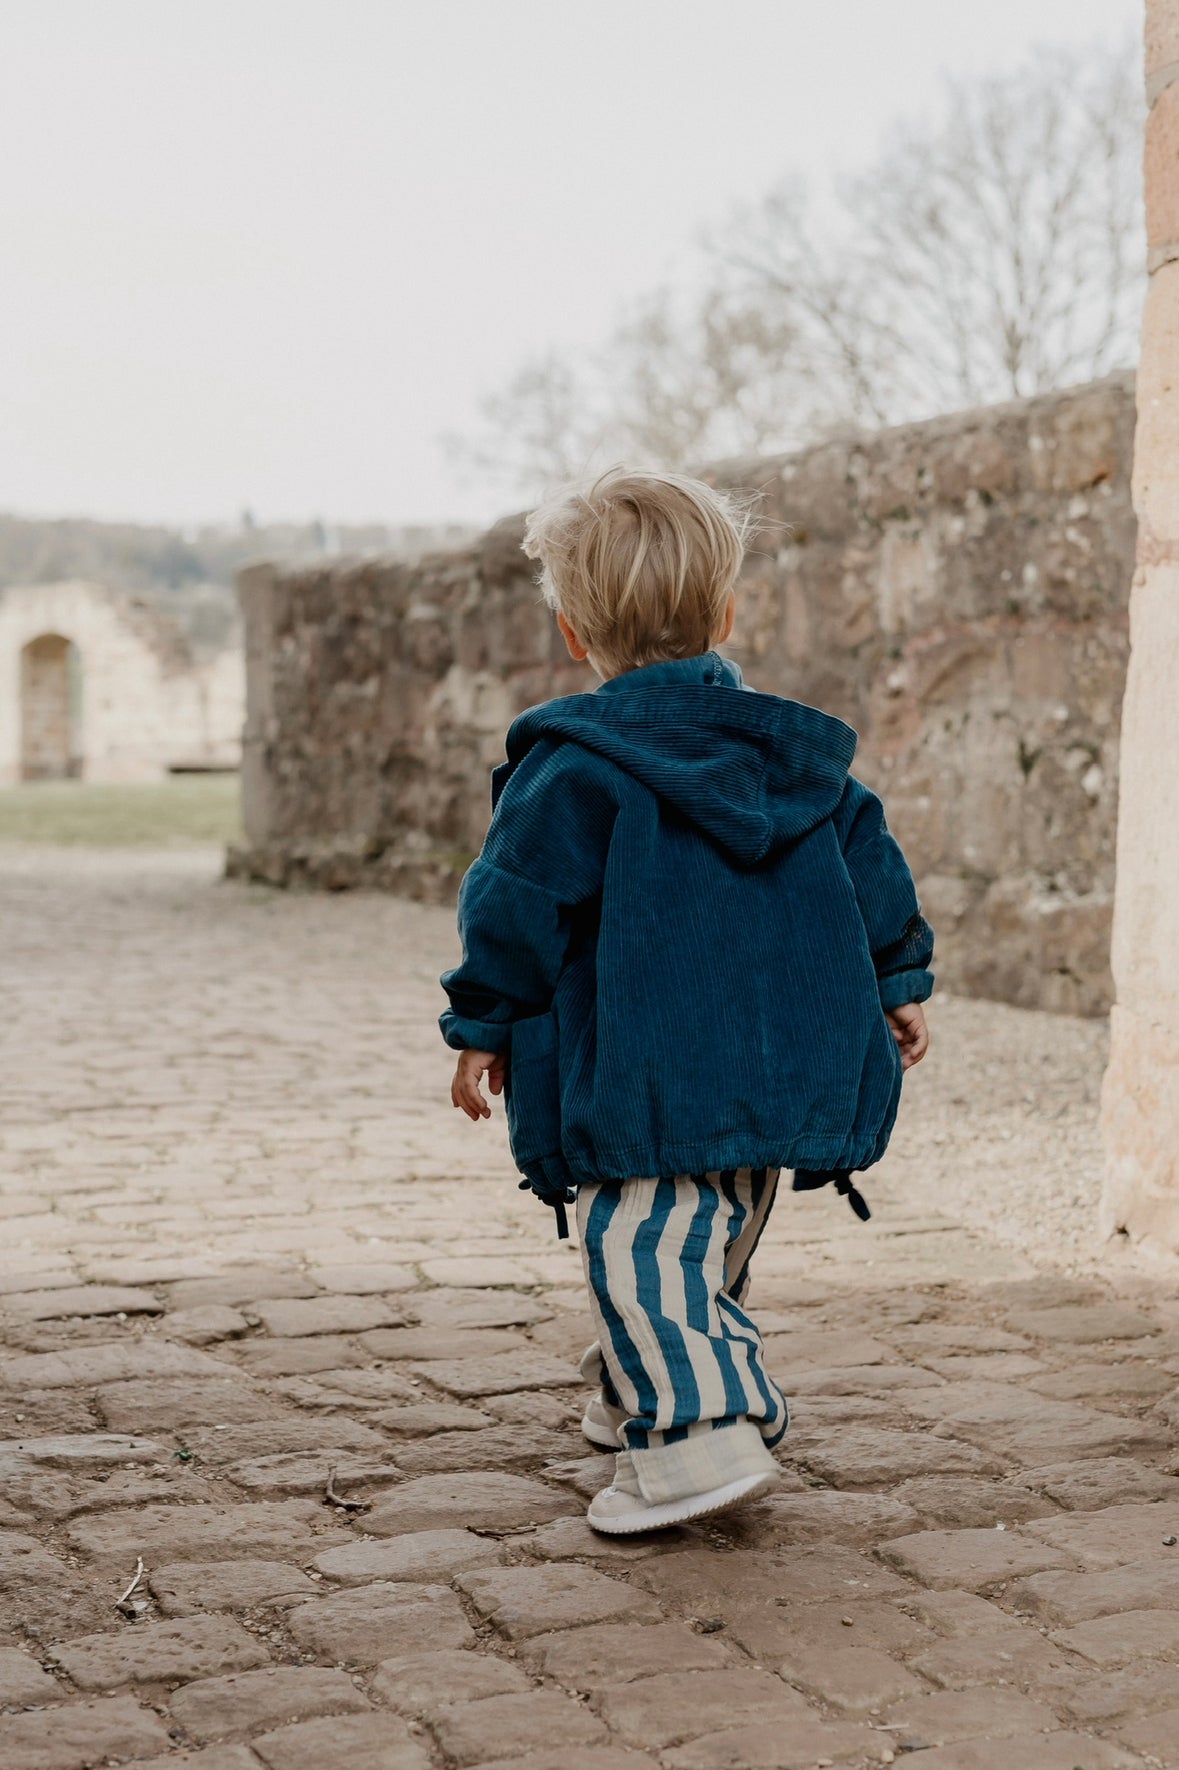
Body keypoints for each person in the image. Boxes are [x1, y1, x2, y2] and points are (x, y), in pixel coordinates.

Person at [439, 467, 933, 1535]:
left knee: (643, 1247)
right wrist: (896, 983)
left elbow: (515, 904)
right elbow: (874, 873)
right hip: (781, 1060)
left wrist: (483, 1021)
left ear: (575, 632)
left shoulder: (574, 768)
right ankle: (639, 1394)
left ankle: (699, 1437)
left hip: (647, 1070)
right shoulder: (801, 761)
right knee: (698, 1250)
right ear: (727, 611)